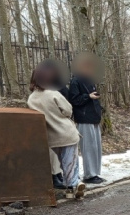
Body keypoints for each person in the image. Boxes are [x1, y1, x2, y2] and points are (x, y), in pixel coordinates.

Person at [27, 61, 86, 200]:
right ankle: (74, 184)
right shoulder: (53, 94)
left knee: (63, 162)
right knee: (71, 162)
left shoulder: (31, 98)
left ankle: (70, 187)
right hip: (66, 133)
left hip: (52, 137)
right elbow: (68, 110)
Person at [68, 54, 106, 185]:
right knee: (89, 148)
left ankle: (95, 173)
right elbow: (74, 100)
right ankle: (90, 175)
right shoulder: (75, 81)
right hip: (84, 118)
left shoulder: (89, 80)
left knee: (96, 147)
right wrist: (88, 97)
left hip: (94, 117)